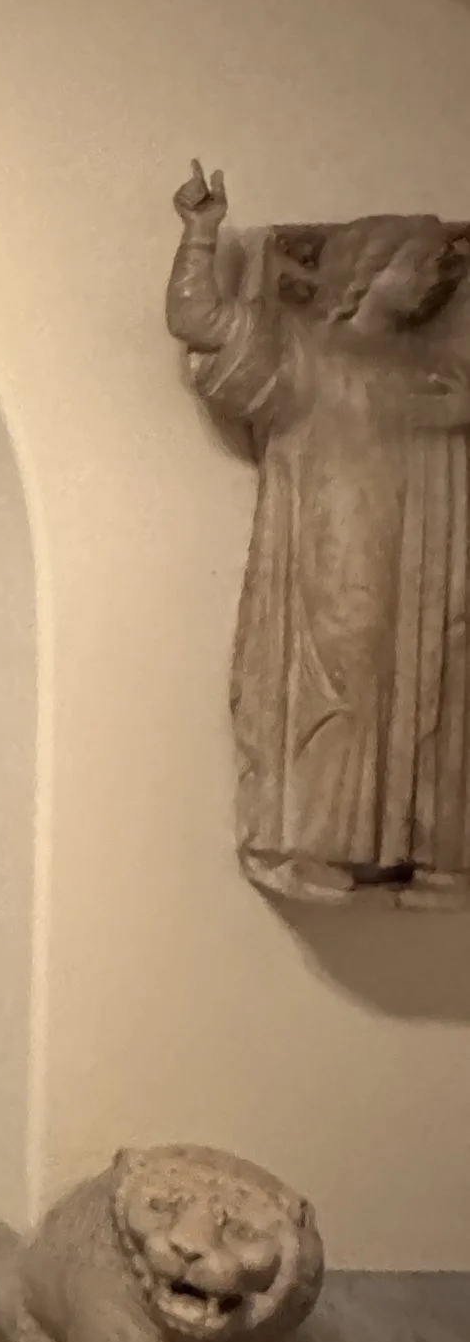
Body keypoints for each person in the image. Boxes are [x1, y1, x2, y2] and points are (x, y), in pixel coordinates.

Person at [167, 161, 470, 901]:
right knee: (344, 682)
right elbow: (200, 321)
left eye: (439, 269)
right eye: (418, 265)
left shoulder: (439, 367)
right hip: (342, 546)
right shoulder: (306, 349)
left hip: (432, 556)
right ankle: (309, 840)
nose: (431, 281)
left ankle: (432, 850)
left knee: (437, 686)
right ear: (371, 272)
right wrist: (202, 235)